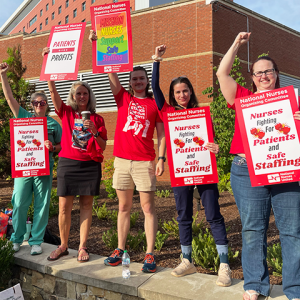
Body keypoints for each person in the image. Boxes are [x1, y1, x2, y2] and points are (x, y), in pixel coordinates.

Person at [216, 32, 300, 300]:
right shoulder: (242, 98)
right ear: (251, 78)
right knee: (253, 229)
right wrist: (236, 44)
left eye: (268, 71)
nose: (263, 76)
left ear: (276, 73)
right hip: (246, 169)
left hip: (285, 168)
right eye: (258, 73)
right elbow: (222, 74)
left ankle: (294, 288)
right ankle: (254, 284)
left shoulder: (293, 101)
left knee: (292, 230)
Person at [151, 45, 232, 286]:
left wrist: (215, 147)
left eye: (185, 91)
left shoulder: (202, 115)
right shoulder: (167, 113)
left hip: (203, 170)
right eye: (177, 92)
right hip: (180, 173)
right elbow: (155, 90)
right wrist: (156, 61)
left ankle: (224, 265)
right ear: (173, 95)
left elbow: (212, 141)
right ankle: (187, 260)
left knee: (214, 215)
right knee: (183, 216)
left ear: (191, 92)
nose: (182, 95)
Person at [89, 31, 166, 273]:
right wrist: (97, 43)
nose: (138, 81)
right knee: (123, 208)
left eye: (141, 78)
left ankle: (150, 254)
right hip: (122, 161)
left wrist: (161, 158)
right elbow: (108, 70)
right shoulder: (122, 98)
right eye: (134, 79)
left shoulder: (155, 104)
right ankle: (120, 249)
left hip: (144, 162)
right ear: (130, 82)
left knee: (147, 208)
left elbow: (162, 134)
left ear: (146, 80)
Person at [42, 48, 108, 263]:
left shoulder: (97, 119)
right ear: (73, 96)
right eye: (78, 93)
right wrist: (47, 61)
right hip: (68, 164)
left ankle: (82, 247)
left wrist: (95, 131)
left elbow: (103, 145)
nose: (81, 96)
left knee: (86, 207)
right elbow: (52, 93)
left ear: (89, 96)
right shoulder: (67, 113)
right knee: (64, 207)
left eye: (85, 93)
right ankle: (63, 245)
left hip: (89, 165)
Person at [0, 62, 62, 255]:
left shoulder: (53, 124)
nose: (38, 105)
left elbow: (62, 146)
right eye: (35, 102)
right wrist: (3, 76)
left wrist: (53, 147)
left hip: (43, 168)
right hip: (24, 169)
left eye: (42, 102)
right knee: (19, 202)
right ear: (31, 104)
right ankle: (16, 239)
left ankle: (36, 240)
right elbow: (9, 98)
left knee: (42, 204)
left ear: (46, 105)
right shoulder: (23, 116)